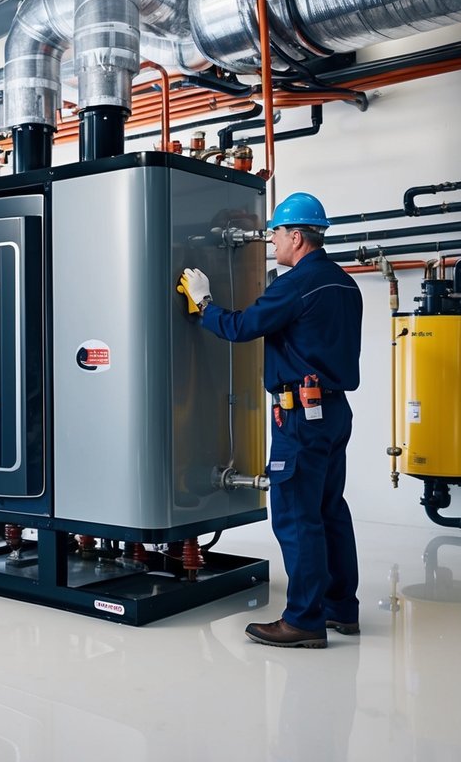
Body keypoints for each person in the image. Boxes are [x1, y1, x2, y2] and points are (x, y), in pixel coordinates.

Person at [179, 192, 363, 648]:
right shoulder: (344, 283)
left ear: (297, 236)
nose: (272, 242)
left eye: (277, 234)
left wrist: (204, 303)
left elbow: (241, 328)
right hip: (334, 412)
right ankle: (341, 607)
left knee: (297, 517)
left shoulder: (298, 283)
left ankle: (303, 620)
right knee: (330, 510)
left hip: (299, 417)